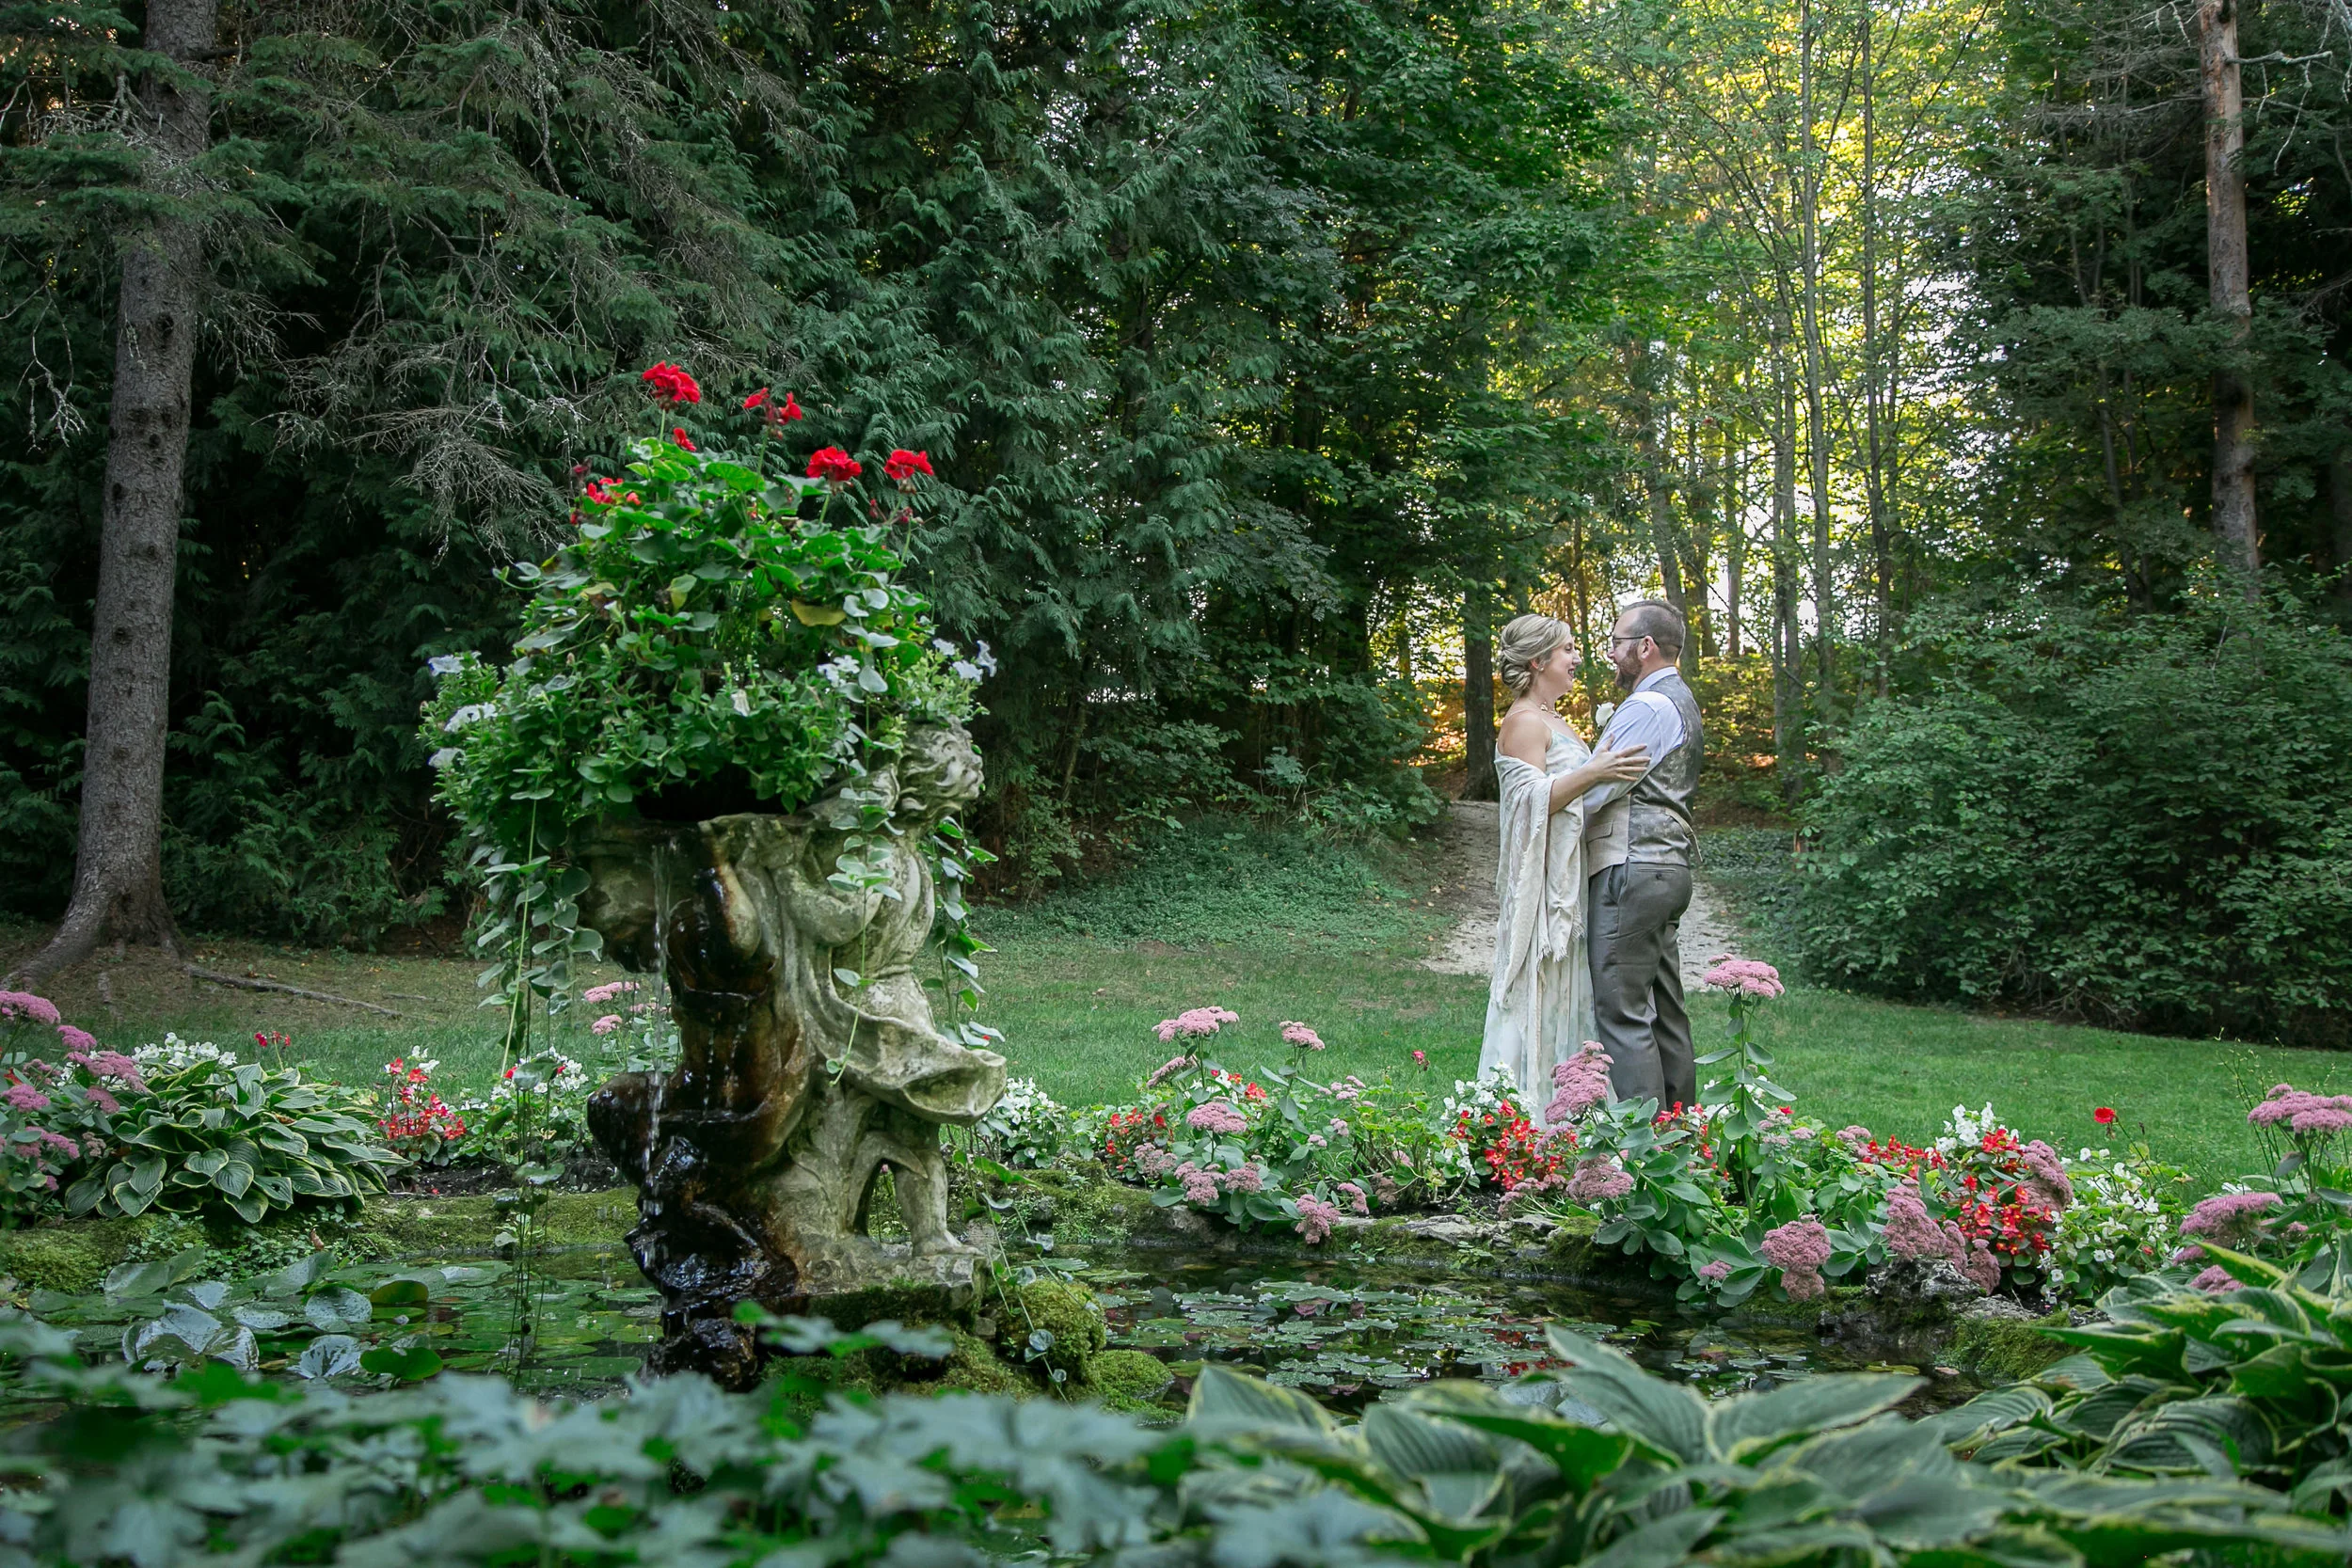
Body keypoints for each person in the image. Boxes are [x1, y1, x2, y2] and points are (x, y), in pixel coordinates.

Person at [1477, 614, 1650, 1123]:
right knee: (1537, 987)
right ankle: (1515, 1120)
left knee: (1568, 988)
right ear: (1538, 662)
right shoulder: (1524, 721)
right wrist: (1594, 770)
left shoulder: (1555, 720)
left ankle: (1569, 1111)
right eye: (1568, 650)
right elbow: (1527, 801)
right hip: (1540, 892)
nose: (1577, 659)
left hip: (1568, 881)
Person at [1582, 600, 1705, 1111]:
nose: (1611, 653)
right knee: (1666, 1010)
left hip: (1631, 865)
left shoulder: (1647, 706)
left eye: (1616, 642)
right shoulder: (1683, 701)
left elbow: (1596, 789)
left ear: (1645, 646)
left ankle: (1644, 1152)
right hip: (1667, 867)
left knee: (1624, 1011)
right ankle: (1683, 1137)